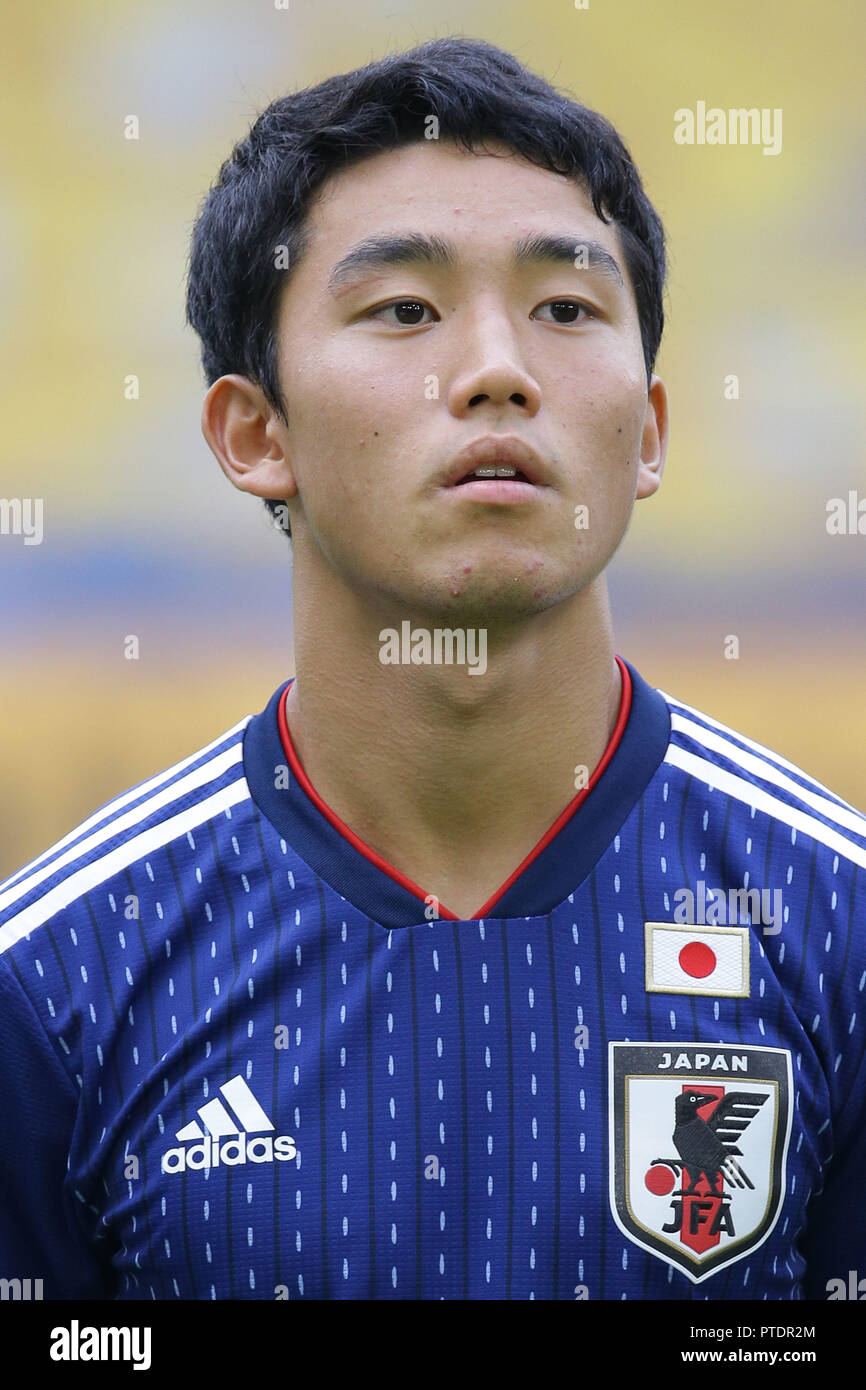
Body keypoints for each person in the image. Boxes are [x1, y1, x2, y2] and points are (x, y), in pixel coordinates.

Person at [0, 36, 863, 1302]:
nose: (498, 371)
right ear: (255, 432)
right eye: (403, 309)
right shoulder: (55, 986)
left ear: (650, 432)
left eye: (566, 308)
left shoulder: (836, 928)